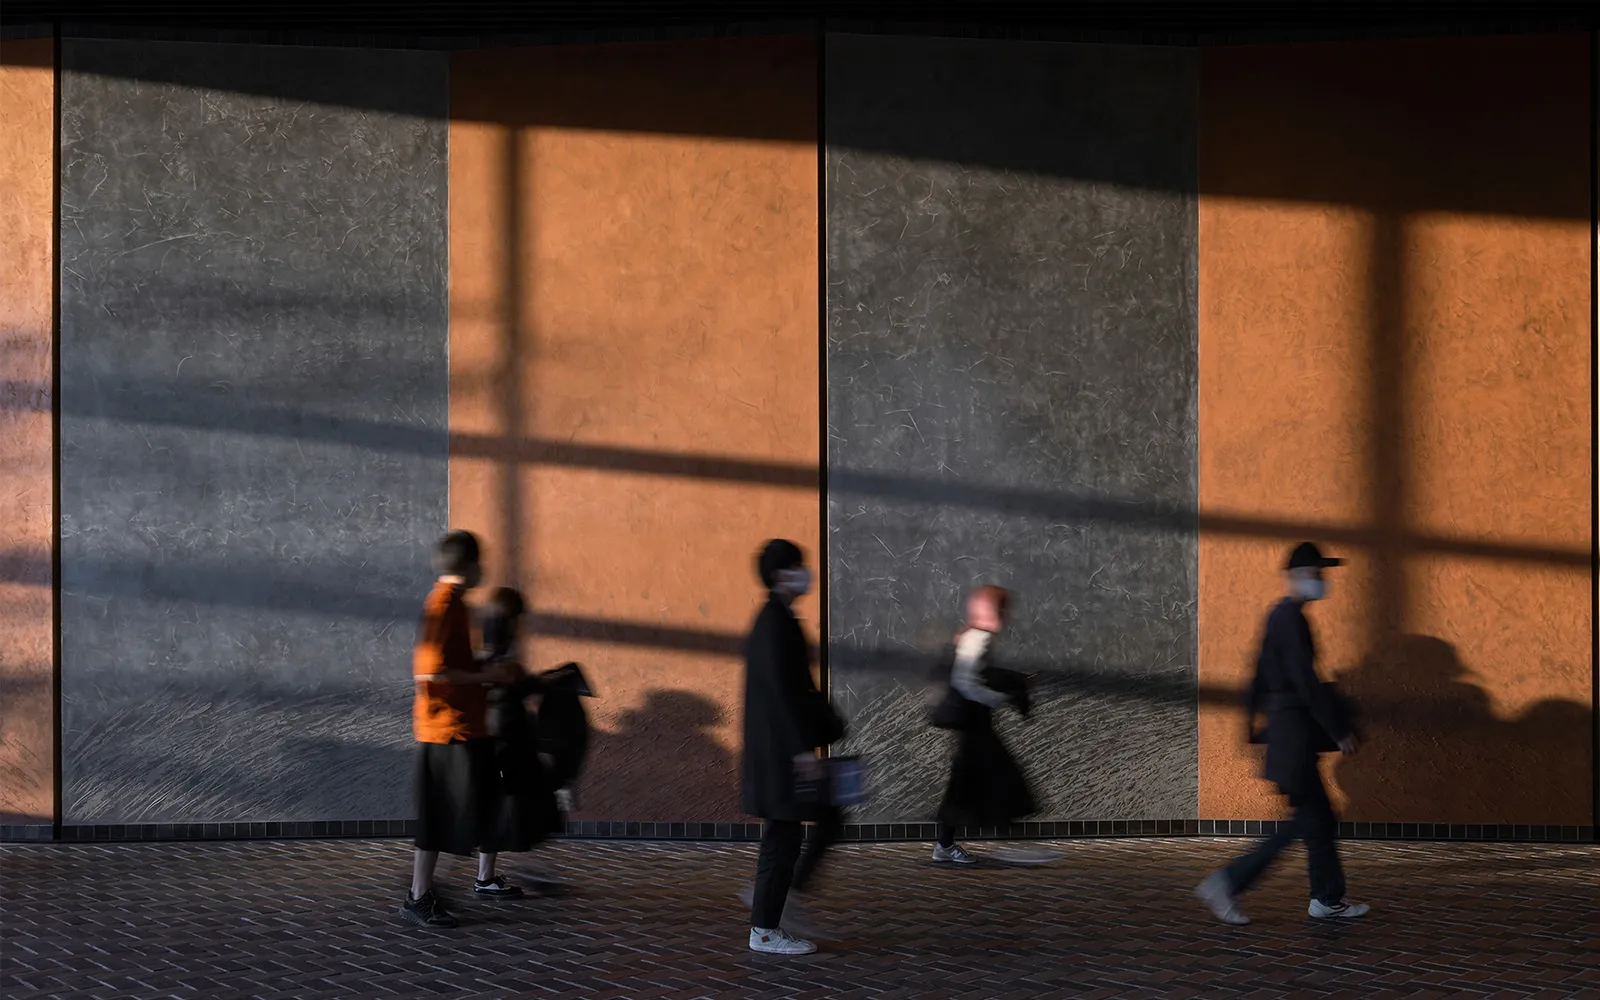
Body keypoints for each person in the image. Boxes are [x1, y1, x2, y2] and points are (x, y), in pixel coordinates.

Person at [1195, 541, 1370, 925]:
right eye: (1317, 573)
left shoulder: (1279, 617)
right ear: (1298, 576)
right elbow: (1305, 683)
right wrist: (1339, 731)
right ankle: (1230, 881)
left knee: (1318, 817)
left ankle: (1327, 897)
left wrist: (1250, 729)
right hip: (1294, 735)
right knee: (1304, 822)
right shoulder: (1291, 620)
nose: (1322, 580)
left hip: (1288, 734)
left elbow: (1256, 675)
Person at [402, 530, 524, 930]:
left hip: (462, 727)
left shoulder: (454, 604)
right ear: (470, 564)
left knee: (486, 799)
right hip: (447, 728)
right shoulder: (443, 604)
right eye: (480, 562)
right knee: (439, 812)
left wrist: (486, 671)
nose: (483, 569)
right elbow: (429, 669)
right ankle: (420, 895)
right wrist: (485, 674)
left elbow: (451, 665)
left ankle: (480, 878)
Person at [741, 539, 845, 956]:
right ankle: (764, 928)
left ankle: (778, 904)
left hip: (783, 755)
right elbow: (780, 695)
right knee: (782, 839)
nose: (806, 574)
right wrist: (803, 751)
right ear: (783, 575)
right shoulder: (773, 623)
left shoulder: (778, 619)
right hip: (783, 757)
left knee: (816, 823)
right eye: (799, 567)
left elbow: (795, 691)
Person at [930, 585, 1038, 864]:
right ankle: (1008, 840)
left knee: (965, 783)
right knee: (994, 776)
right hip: (975, 724)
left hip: (973, 725)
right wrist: (999, 698)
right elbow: (965, 681)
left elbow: (978, 674)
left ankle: (946, 844)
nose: (1007, 614)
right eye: (1002, 608)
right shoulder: (978, 639)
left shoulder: (975, 637)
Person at [479, 588, 563, 867]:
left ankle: (487, 877)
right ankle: (529, 870)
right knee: (521, 801)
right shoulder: (500, 647)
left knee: (499, 804)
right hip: (507, 737)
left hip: (496, 736)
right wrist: (546, 682)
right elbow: (512, 680)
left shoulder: (489, 643)